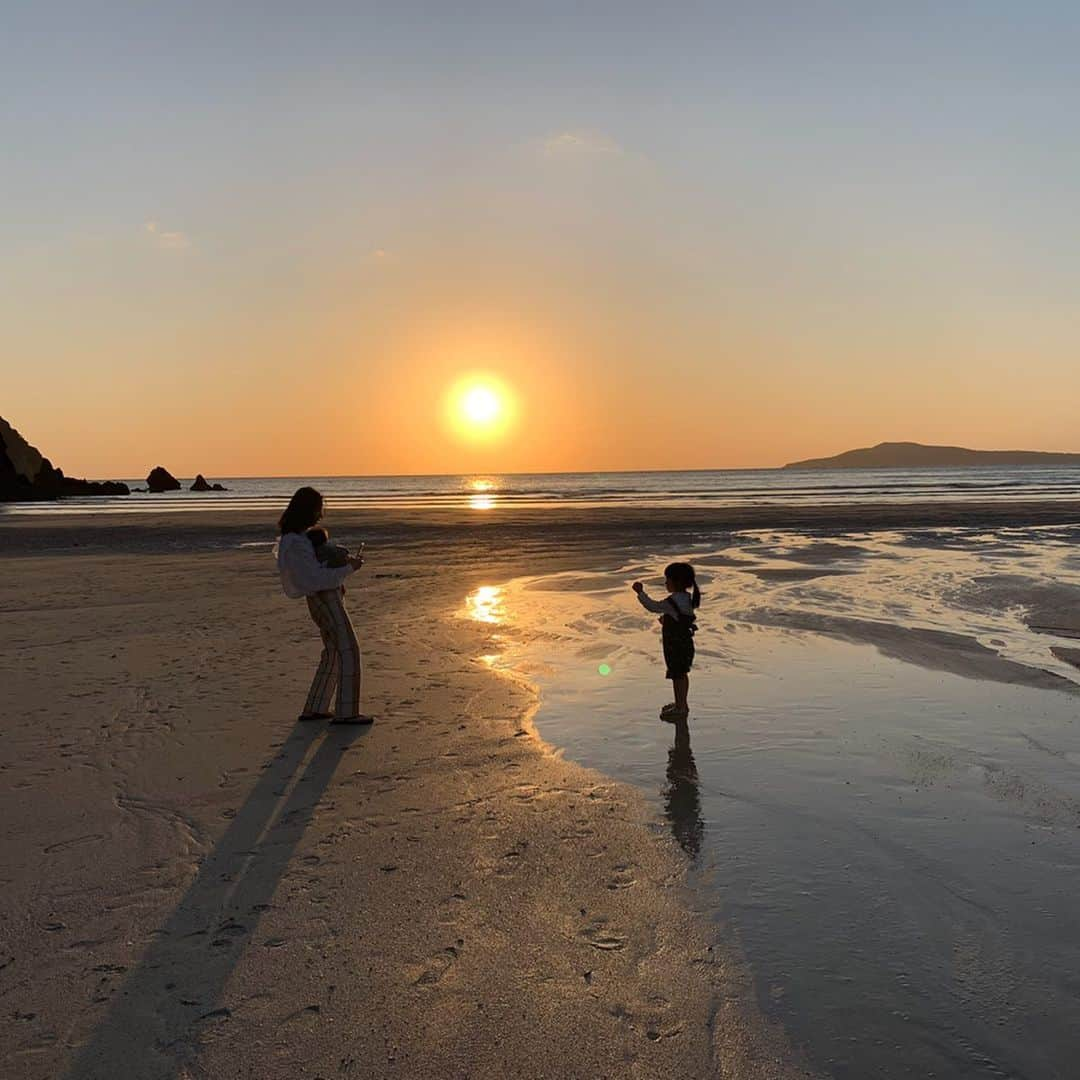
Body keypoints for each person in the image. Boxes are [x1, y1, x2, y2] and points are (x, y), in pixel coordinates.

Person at [275, 486, 373, 724]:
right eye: (317, 510)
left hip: (321, 597)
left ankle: (316, 707)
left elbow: (313, 573)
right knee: (348, 649)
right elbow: (316, 579)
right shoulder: (295, 542)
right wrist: (349, 568)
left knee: (332, 652)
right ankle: (346, 712)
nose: (320, 516)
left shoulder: (294, 539)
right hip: (323, 597)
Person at [631, 562, 701, 720]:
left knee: (677, 675)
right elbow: (680, 618)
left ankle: (680, 707)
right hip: (685, 643)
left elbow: (653, 606)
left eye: (667, 580)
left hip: (676, 645)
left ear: (676, 582)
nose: (665, 583)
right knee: (682, 674)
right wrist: (667, 620)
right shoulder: (686, 598)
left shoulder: (673, 601)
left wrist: (640, 593)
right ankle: (681, 704)